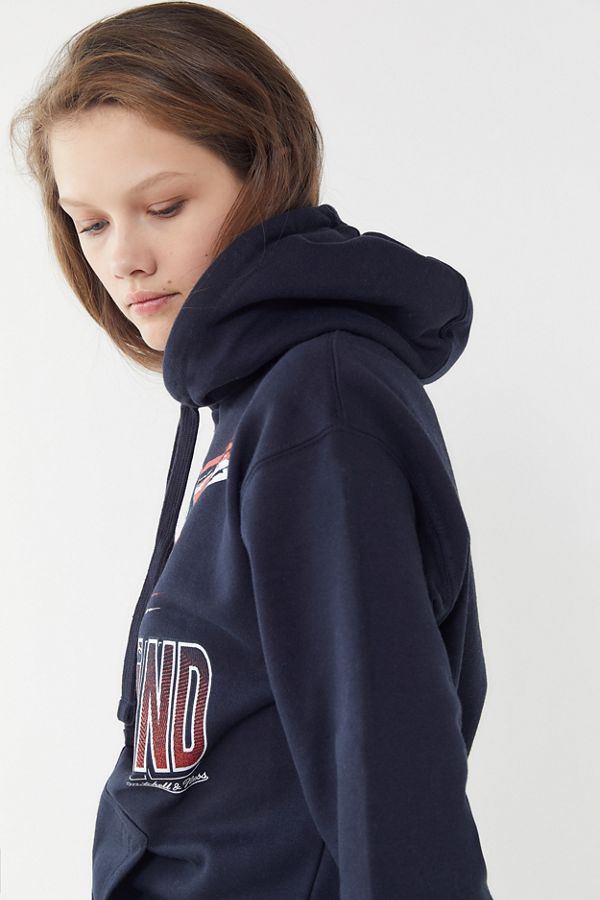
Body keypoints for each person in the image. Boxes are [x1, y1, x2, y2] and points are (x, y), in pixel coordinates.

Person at [9, 3, 494, 898]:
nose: (125, 259)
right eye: (91, 222)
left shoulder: (323, 402)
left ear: (265, 174)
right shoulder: (252, 401)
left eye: (163, 206)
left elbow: (392, 780)